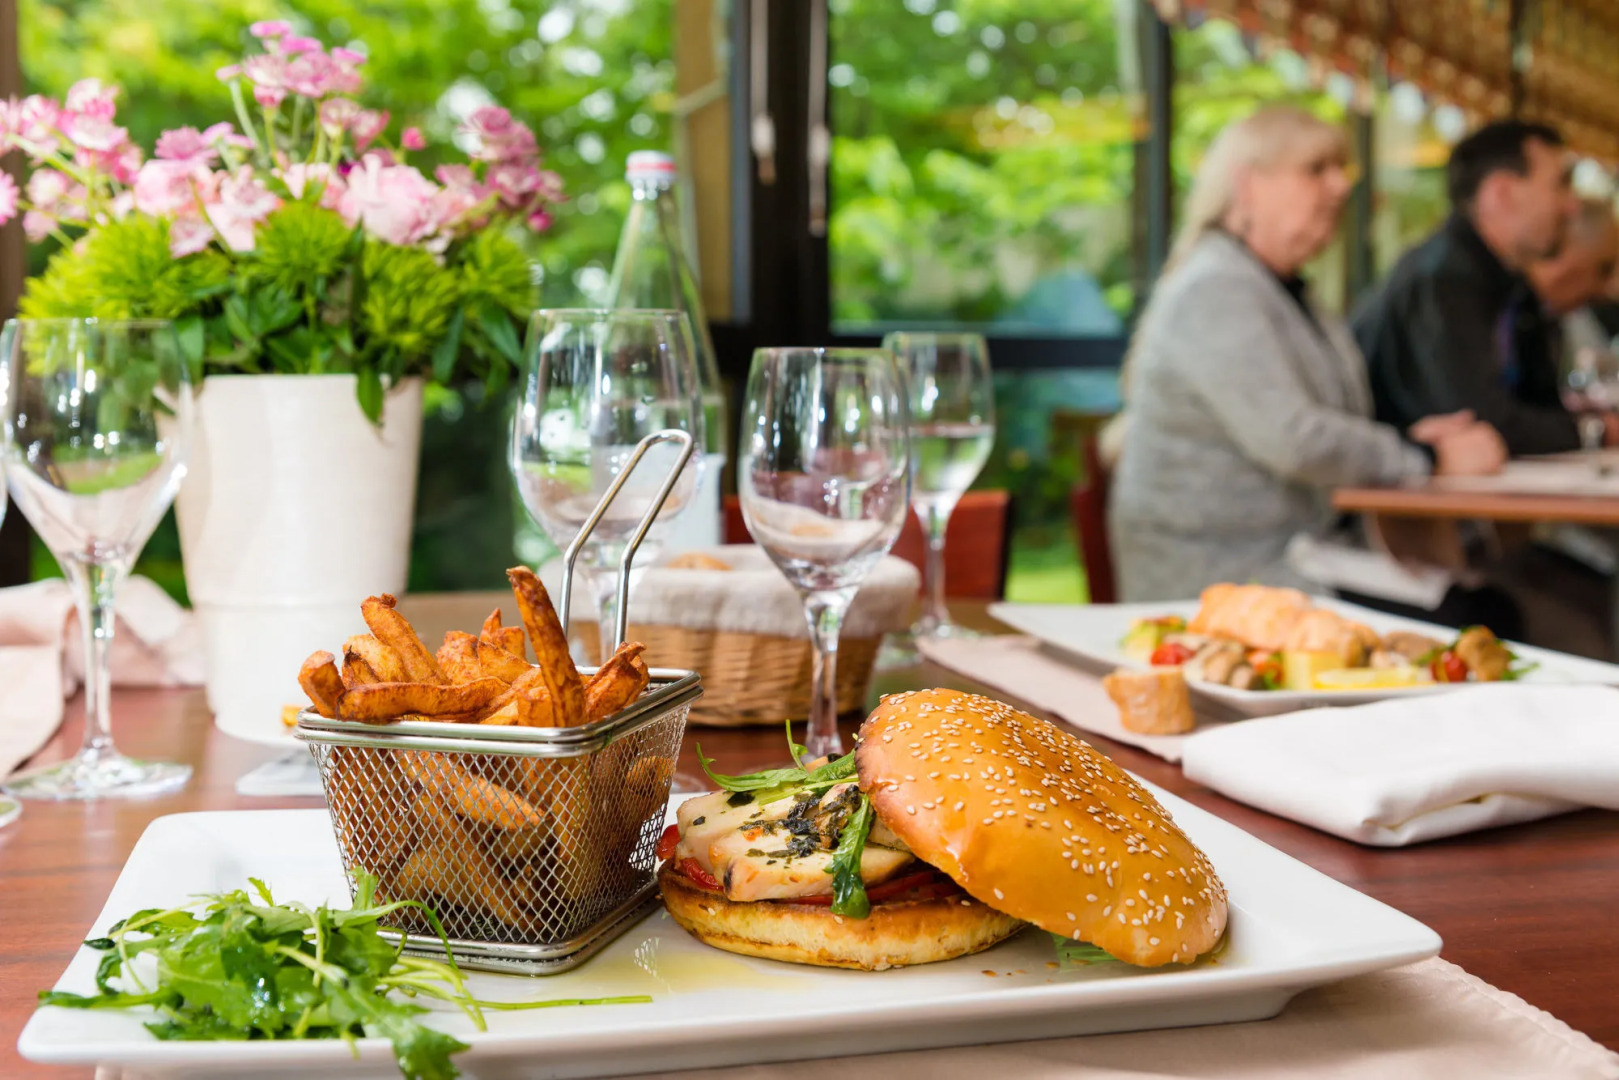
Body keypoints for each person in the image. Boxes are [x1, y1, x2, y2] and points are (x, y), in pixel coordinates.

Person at [1109, 106, 1506, 602]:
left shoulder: (1283, 291)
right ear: (1247, 185)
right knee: (1482, 612)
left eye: (1341, 171)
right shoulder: (1216, 288)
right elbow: (1294, 440)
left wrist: (1408, 442)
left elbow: (1321, 425)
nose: (1341, 187)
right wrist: (1424, 456)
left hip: (1295, 558)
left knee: (1487, 603)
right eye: (1316, 170)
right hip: (1224, 578)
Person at [1353, 121, 1585, 457]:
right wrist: (1593, 431)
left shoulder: (1509, 285)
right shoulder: (1441, 278)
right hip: (1394, 502)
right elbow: (1481, 422)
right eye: (1560, 185)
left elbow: (1541, 404)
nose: (1572, 205)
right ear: (1501, 193)